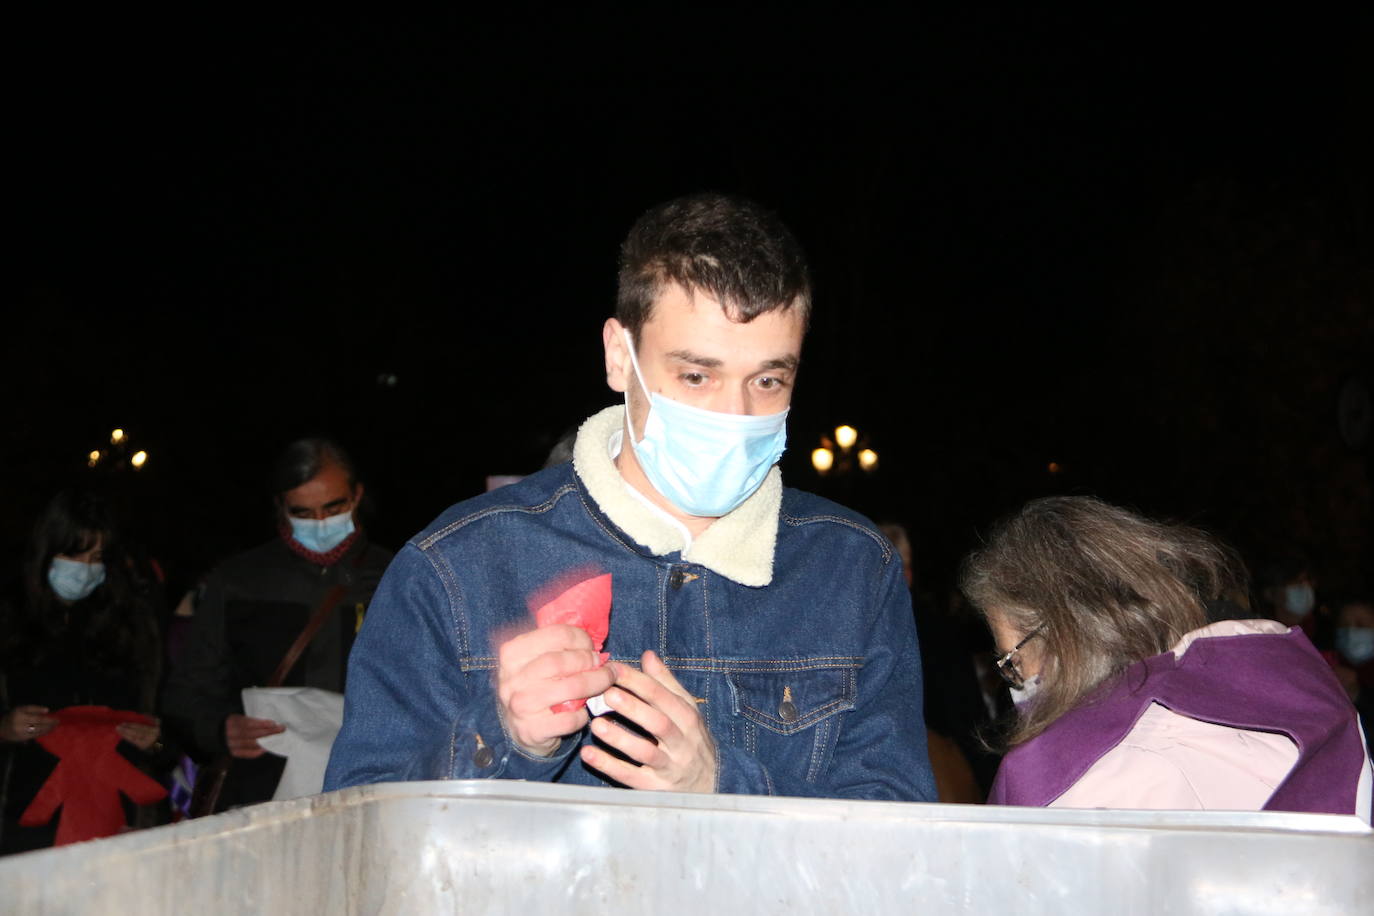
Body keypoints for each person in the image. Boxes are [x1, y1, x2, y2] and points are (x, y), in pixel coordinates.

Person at [325, 193, 935, 800]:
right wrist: (502, 737)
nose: (735, 413)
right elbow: (358, 827)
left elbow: (895, 846)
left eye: (769, 380)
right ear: (620, 357)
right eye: (697, 375)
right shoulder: (459, 566)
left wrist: (721, 786)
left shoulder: (851, 569)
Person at [960, 496, 1372, 820]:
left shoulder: (1088, 781)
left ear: (1064, 636)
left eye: (1012, 660)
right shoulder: (1293, 684)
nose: (1014, 681)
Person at [162, 439, 392, 811]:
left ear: (357, 495)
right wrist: (220, 730)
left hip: (367, 787)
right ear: (281, 509)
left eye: (333, 507)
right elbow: (185, 693)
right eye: (303, 512)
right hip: (260, 792)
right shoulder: (239, 581)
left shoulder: (395, 577)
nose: (320, 523)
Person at [0, 490, 169, 853]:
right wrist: (4, 728)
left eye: (96, 558)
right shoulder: (9, 618)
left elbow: (173, 723)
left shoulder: (130, 624)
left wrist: (156, 740)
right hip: (20, 820)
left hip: (115, 821)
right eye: (74, 555)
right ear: (45, 552)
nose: (85, 569)